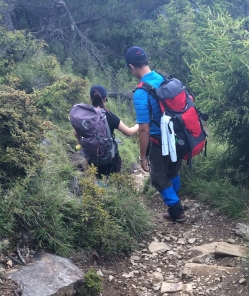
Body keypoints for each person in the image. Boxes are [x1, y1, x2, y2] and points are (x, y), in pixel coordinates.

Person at [125, 46, 186, 223]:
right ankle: (175, 202)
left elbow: (143, 129)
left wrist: (143, 157)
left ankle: (176, 209)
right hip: (177, 136)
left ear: (131, 67)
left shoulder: (141, 92)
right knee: (173, 172)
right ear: (146, 61)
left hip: (159, 141)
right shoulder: (164, 79)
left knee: (159, 178)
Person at [74, 84, 139, 178]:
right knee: (114, 180)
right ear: (105, 99)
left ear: (90, 98)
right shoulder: (109, 115)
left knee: (98, 180)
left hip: (91, 158)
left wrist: (80, 143)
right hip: (109, 158)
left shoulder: (84, 116)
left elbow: (76, 133)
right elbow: (129, 132)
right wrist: (138, 124)